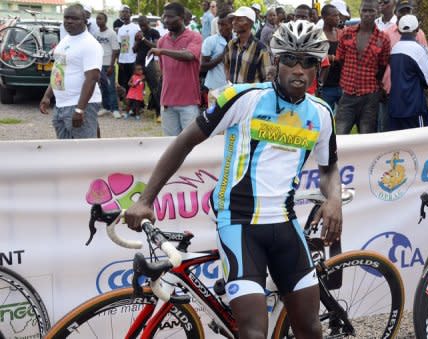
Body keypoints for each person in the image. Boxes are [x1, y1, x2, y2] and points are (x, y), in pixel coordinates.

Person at [124, 19, 341, 339]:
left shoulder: (321, 113)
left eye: (308, 61)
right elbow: (185, 141)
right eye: (291, 60)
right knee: (253, 332)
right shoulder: (244, 99)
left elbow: (328, 169)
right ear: (276, 62)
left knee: (310, 328)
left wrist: (334, 198)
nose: (299, 69)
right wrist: (145, 199)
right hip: (238, 224)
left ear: (317, 68)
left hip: (285, 222)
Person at [39, 4, 102, 139]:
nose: (69, 21)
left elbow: (92, 78)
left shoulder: (90, 44)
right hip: (61, 105)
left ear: (85, 21)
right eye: (66, 17)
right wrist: (47, 96)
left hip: (79, 105)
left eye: (74, 18)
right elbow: (58, 70)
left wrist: (80, 109)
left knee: (84, 152)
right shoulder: (65, 40)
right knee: (65, 152)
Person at [335, 0, 391, 134]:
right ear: (359, 11)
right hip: (348, 94)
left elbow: (382, 66)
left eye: (371, 10)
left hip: (370, 96)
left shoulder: (383, 39)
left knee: (367, 137)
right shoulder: (347, 33)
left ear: (377, 12)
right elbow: (340, 60)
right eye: (364, 10)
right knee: (340, 136)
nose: (367, 14)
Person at [152, 2, 202, 136]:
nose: (166, 20)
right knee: (170, 145)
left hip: (189, 103)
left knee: (190, 144)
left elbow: (189, 55)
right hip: (168, 103)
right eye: (165, 17)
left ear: (181, 17)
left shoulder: (194, 37)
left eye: (170, 17)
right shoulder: (162, 41)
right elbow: (164, 72)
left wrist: (162, 51)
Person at [380, 0, 428, 131]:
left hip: (412, 91)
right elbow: (381, 62)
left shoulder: (419, 33)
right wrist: (381, 85)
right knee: (390, 131)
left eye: (408, 11)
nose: (405, 14)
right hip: (389, 89)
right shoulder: (386, 33)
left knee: (415, 133)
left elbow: (424, 63)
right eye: (402, 11)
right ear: (396, 12)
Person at [388, 15, 428, 130]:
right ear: (417, 29)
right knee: (420, 142)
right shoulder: (419, 49)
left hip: (395, 107)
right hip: (413, 107)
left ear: (399, 30)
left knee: (399, 145)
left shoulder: (395, 48)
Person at [224, 6, 271, 84]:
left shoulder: (261, 49)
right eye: (234, 19)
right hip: (233, 93)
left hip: (252, 95)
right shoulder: (231, 44)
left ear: (250, 23)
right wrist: (229, 82)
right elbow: (226, 65)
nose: (233, 22)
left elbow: (267, 78)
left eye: (239, 19)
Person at [133, 16, 161, 119]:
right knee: (136, 87)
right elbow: (134, 50)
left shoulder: (154, 32)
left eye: (144, 25)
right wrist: (137, 40)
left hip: (150, 63)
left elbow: (156, 46)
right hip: (139, 63)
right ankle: (137, 109)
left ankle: (159, 112)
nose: (142, 27)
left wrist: (144, 39)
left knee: (154, 87)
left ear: (148, 22)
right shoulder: (138, 34)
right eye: (140, 25)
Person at [95, 12, 120, 118]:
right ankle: (106, 107)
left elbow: (115, 50)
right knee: (103, 87)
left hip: (108, 65)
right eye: (97, 19)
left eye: (100, 19)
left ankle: (115, 109)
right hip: (99, 65)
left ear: (105, 21)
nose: (98, 21)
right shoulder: (96, 34)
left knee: (111, 87)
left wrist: (111, 65)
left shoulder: (111, 33)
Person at [201, 9, 233, 92]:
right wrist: (222, 56)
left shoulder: (237, 40)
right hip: (215, 88)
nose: (220, 28)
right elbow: (203, 66)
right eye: (219, 24)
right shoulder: (210, 41)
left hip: (233, 88)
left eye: (224, 25)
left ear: (232, 24)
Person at [318, 4, 343, 111]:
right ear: (324, 17)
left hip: (342, 84)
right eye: (334, 15)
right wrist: (332, 58)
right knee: (325, 115)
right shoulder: (318, 35)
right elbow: (316, 56)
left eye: (338, 15)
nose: (338, 18)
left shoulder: (341, 33)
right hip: (326, 85)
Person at [117, 6, 140, 95]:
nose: (124, 13)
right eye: (123, 12)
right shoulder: (121, 29)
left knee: (134, 80)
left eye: (126, 12)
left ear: (130, 14)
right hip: (123, 59)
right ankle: (126, 100)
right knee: (123, 81)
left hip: (133, 58)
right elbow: (121, 44)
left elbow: (140, 36)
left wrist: (136, 45)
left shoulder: (135, 26)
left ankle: (136, 101)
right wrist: (118, 59)